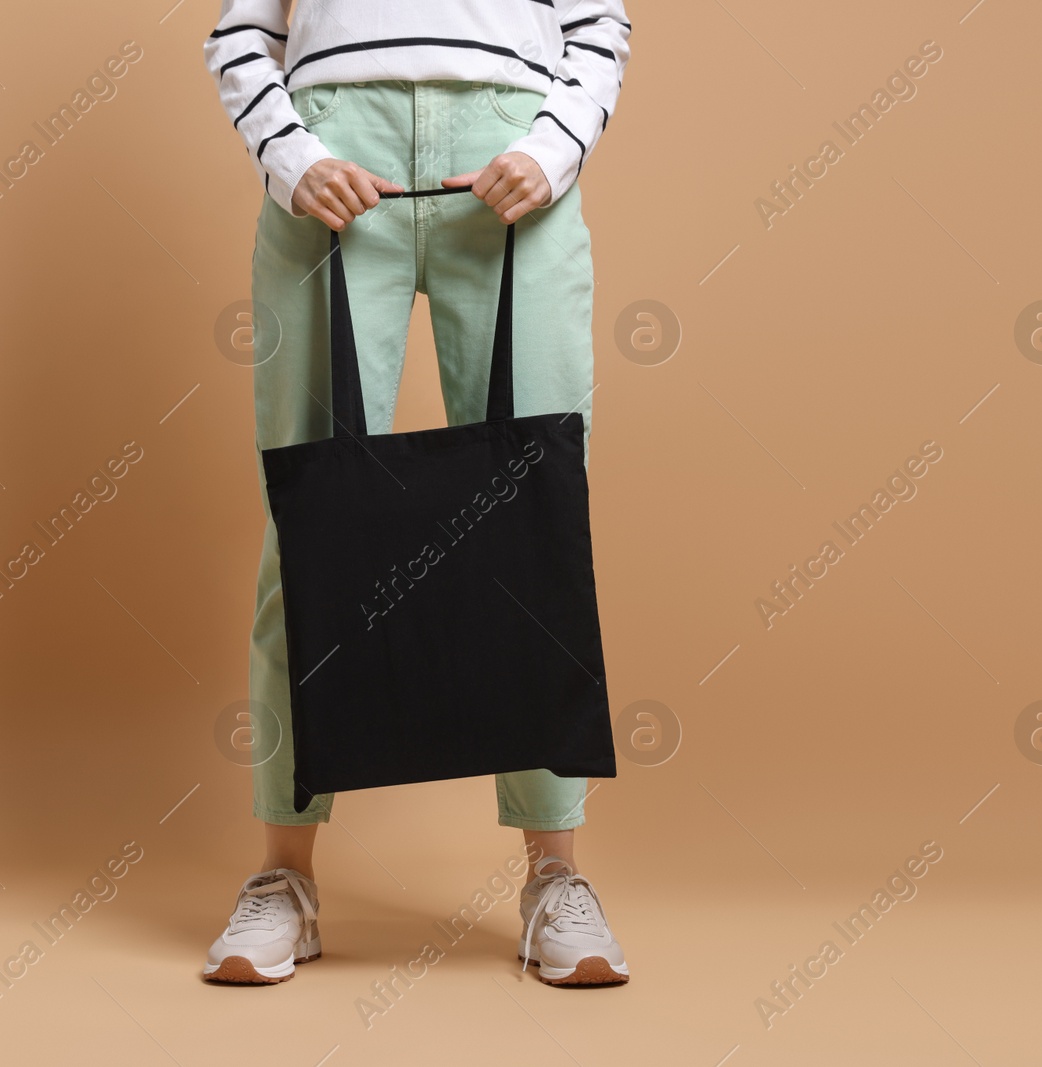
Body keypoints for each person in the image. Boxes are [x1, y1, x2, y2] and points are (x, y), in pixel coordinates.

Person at [200, 0, 632, 986]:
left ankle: (553, 874)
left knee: (536, 522)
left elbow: (599, 24)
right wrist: (292, 155)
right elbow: (239, 30)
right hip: (332, 155)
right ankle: (284, 877)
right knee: (310, 528)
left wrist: (556, 145)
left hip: (510, 154)